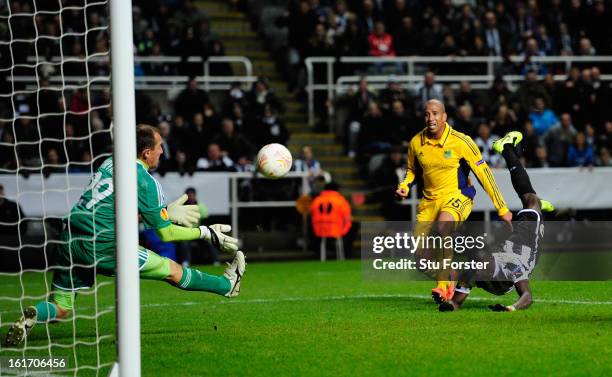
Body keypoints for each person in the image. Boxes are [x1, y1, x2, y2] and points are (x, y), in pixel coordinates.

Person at [4, 125, 246, 347]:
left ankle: (34, 314)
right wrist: (205, 232)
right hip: (105, 245)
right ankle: (226, 286)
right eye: (159, 146)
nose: (162, 151)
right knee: (172, 270)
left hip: (71, 240)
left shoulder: (110, 163)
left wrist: (162, 214)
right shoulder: (145, 181)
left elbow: (115, 210)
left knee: (62, 308)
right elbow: (166, 234)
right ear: (146, 153)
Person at [395, 99, 512, 304]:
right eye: (427, 114)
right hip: (429, 202)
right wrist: (405, 185)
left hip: (458, 196)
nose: (430, 118)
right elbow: (412, 170)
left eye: (435, 113)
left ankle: (443, 286)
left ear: (444, 116)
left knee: (443, 226)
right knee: (422, 260)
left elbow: (484, 174)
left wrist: (501, 207)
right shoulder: (416, 142)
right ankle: (454, 275)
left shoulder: (461, 141)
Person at [439, 131, 554, 312]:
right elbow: (527, 297)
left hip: (514, 243)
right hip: (528, 243)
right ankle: (507, 149)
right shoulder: (508, 269)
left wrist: (450, 305)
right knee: (531, 199)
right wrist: (511, 308)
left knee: (532, 202)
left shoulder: (480, 268)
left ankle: (506, 147)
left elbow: (456, 303)